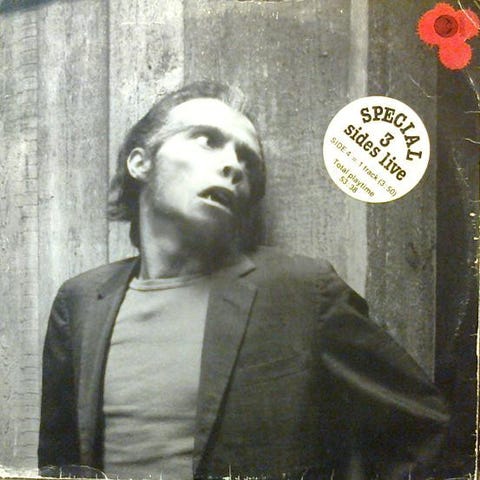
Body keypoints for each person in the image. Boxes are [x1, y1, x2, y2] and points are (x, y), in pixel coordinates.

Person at [38, 82, 449, 480]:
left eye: (248, 161)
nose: (233, 165)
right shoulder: (81, 301)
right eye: (207, 140)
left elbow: (429, 428)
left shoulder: (303, 290)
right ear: (140, 163)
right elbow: (59, 463)